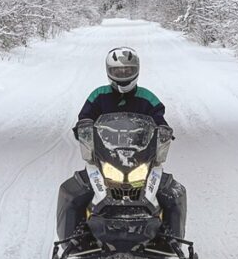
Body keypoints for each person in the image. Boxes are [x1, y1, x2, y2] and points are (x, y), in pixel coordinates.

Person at [56, 47, 187, 244]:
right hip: (104, 155)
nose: (123, 75)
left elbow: (159, 119)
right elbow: (85, 117)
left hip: (140, 156)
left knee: (172, 192)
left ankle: (171, 240)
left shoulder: (147, 98)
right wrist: (83, 128)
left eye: (128, 70)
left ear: (136, 70)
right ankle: (73, 240)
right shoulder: (98, 95)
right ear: (110, 72)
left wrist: (163, 130)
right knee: (74, 191)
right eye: (119, 71)